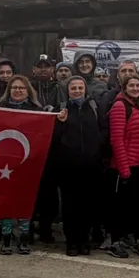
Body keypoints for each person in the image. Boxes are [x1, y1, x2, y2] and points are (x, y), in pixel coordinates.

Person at [52, 76, 105, 256]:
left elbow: (103, 130)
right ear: (68, 90)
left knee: (87, 205)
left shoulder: (94, 107)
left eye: (80, 88)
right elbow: (54, 138)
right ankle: (72, 241)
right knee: (69, 206)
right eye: (73, 88)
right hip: (68, 167)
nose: (76, 91)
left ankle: (84, 240)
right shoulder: (62, 109)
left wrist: (99, 151)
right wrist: (60, 123)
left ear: (85, 89)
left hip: (91, 166)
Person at [0, 75, 45, 255]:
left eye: (21, 88)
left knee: (25, 198)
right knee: (5, 198)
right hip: (4, 162)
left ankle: (24, 236)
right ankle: (6, 236)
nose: (17, 91)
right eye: (14, 88)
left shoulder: (37, 110)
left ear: (27, 91)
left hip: (28, 161)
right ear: (9, 90)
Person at [107, 75, 139, 259]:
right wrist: (124, 168)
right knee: (120, 207)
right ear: (124, 88)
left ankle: (132, 237)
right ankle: (115, 241)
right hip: (124, 166)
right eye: (131, 85)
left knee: (135, 206)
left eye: (137, 85)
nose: (135, 88)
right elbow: (116, 139)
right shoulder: (120, 107)